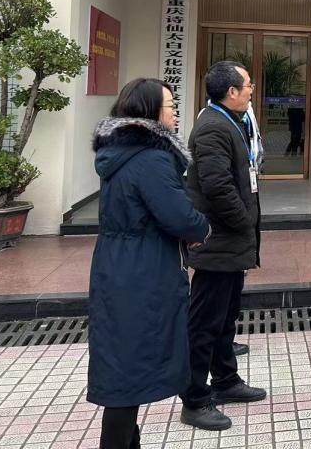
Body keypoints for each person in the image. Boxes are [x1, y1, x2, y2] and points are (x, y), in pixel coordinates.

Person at [88, 79, 210, 449]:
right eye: (170, 106)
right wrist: (201, 227)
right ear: (149, 112)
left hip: (118, 266)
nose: (175, 112)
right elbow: (179, 216)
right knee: (127, 377)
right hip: (142, 272)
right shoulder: (151, 159)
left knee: (124, 367)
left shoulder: (120, 152)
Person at [180, 61, 266, 431]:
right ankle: (195, 399)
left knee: (225, 317)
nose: (251, 90)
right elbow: (217, 186)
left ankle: (226, 380)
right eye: (247, 85)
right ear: (231, 91)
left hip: (230, 241)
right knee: (204, 324)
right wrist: (244, 222)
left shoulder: (231, 120)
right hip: (219, 240)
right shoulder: (213, 126)